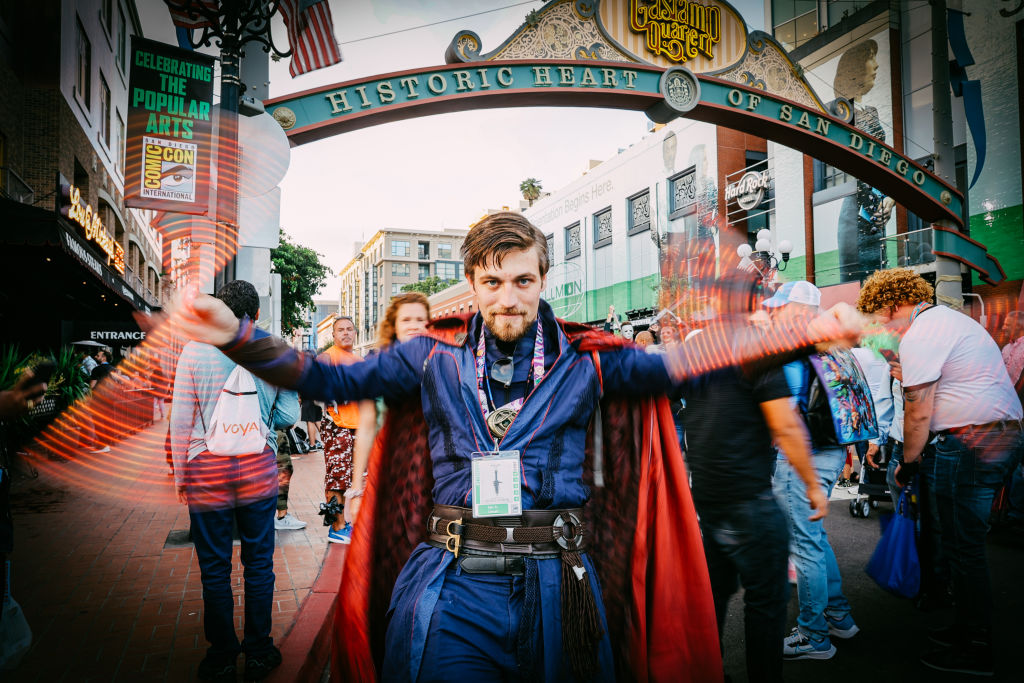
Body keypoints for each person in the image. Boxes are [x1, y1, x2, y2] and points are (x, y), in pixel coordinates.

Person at [169, 212, 863, 682]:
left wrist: (796, 332)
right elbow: (327, 374)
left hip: (561, 586)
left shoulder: (590, 362)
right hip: (454, 585)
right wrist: (238, 336)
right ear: (472, 284)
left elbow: (686, 360)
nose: (509, 295)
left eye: (523, 279)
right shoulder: (428, 361)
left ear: (542, 280)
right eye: (494, 280)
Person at [856, 268, 1023, 677]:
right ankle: (968, 627)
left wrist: (908, 464)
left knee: (963, 547)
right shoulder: (946, 322)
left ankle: (976, 645)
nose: (880, 328)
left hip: (971, 442)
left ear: (894, 304)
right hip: (995, 436)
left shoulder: (923, 332)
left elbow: (918, 411)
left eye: (878, 318)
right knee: (960, 542)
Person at [681, 276, 827, 683]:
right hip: (751, 500)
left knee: (714, 598)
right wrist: (813, 485)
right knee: (766, 602)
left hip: (709, 497)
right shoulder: (757, 348)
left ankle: (710, 672)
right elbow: (785, 425)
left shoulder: (695, 348)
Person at [169, 280, 299, 682]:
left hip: (206, 468)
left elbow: (180, 419)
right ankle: (259, 650)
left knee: (214, 566)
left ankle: (222, 655)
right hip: (258, 466)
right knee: (259, 563)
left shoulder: (194, 350)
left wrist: (180, 472)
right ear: (256, 315)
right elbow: (289, 416)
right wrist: (259, 417)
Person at [764, 281, 861, 661]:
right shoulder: (829, 342)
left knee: (804, 545)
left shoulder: (792, 347)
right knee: (814, 540)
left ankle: (814, 635)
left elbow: (785, 414)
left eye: (779, 307)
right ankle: (838, 616)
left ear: (794, 309)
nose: (773, 313)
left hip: (802, 455)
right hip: (830, 450)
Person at [832, 39, 896, 283]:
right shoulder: (839, 114)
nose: (877, 65)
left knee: (878, 279)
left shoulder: (870, 111)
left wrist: (890, 200)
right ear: (855, 68)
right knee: (862, 281)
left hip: (875, 210)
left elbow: (885, 166)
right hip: (855, 213)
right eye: (871, 57)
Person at [317, 317, 376, 544]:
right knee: (337, 479)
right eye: (340, 330)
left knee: (357, 478)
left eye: (349, 329)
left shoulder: (359, 359)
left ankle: (347, 524)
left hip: (358, 427)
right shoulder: (328, 356)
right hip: (337, 426)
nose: (345, 333)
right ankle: (336, 527)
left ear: (355, 333)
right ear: (333, 335)